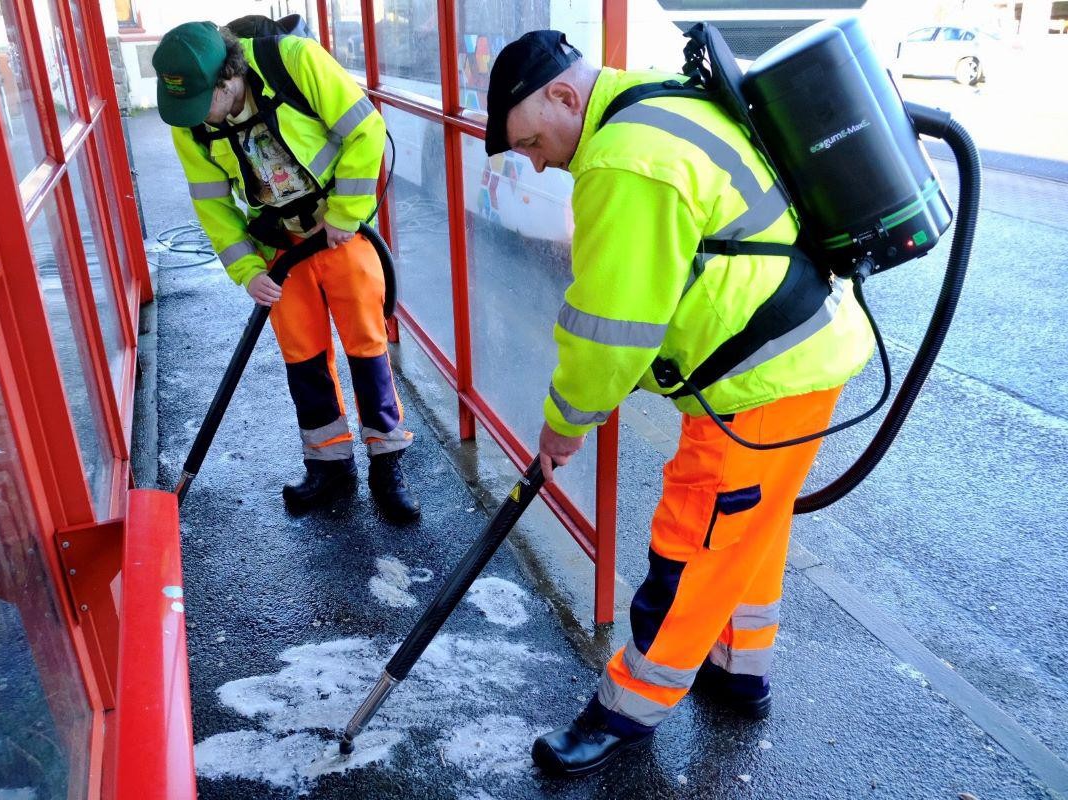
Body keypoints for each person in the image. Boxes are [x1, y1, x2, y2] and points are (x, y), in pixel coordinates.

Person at [484, 30, 876, 776]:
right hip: (799, 358)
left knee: (693, 542)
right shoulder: (659, 102)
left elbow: (610, 330)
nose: (533, 162)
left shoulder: (622, 159)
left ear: (565, 97)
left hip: (763, 378)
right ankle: (737, 672)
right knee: (745, 532)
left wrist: (565, 422)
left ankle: (627, 711)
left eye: (531, 141)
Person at [152, 20, 419, 521]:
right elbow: (212, 205)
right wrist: (248, 271)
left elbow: (366, 130)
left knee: (366, 346)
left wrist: (345, 214)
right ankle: (330, 467)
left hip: (341, 231)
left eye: (200, 105)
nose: (195, 122)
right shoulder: (190, 122)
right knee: (303, 356)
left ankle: (388, 464)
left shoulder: (294, 61)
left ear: (229, 79)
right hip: (278, 246)